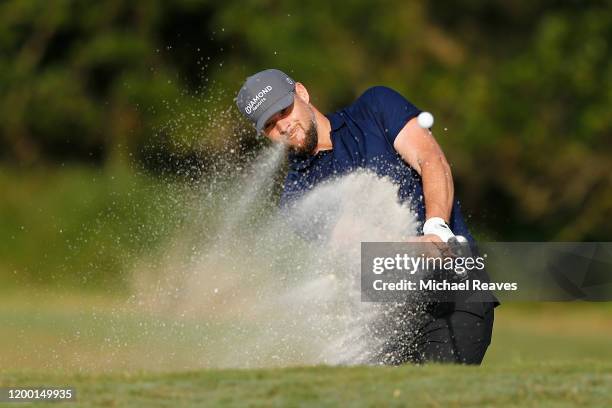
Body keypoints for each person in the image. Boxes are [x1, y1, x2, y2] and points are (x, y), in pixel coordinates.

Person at [235, 68, 497, 365]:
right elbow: (353, 239)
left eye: (284, 110)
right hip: (388, 314)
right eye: (270, 125)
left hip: (454, 291)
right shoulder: (297, 198)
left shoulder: (376, 107)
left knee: (436, 392)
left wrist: (435, 227)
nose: (282, 126)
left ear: (302, 93)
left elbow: (431, 159)